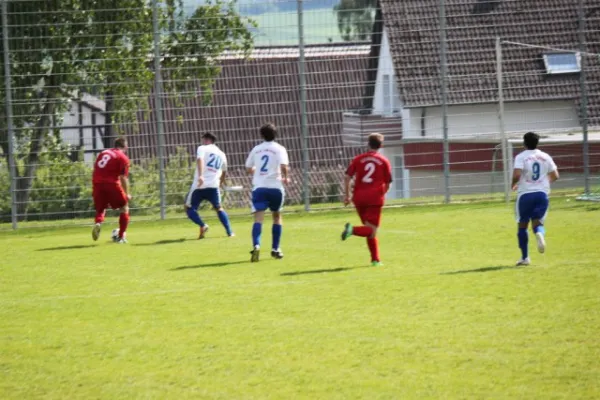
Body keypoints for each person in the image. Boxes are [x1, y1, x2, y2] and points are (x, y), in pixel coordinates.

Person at [341, 133, 392, 266]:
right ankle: (352, 230)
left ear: (368, 144)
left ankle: (375, 260)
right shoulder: (384, 161)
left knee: (369, 230)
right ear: (381, 146)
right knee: (371, 230)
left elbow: (347, 177)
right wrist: (382, 193)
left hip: (359, 198)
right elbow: (388, 183)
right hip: (375, 198)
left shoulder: (358, 159)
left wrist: (347, 196)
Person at [512, 131, 559, 266]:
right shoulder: (545, 156)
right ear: (537, 142)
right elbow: (555, 175)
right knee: (537, 223)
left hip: (525, 194)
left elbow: (516, 175)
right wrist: (544, 184)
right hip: (542, 195)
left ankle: (525, 257)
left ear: (524, 143)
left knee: (522, 225)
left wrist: (513, 184)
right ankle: (539, 234)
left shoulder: (521, 157)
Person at [245, 123, 290, 262]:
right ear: (275, 134)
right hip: (275, 187)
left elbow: (248, 167)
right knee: (276, 217)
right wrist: (286, 177)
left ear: (261, 135)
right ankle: (275, 248)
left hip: (260, 187)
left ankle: (256, 245)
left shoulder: (256, 149)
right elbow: (283, 165)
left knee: (258, 218)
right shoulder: (279, 149)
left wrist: (256, 171)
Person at [185, 132, 233, 239]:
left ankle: (203, 225)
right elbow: (224, 171)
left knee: (188, 208)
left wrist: (201, 176)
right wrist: (220, 183)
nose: (202, 141)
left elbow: (199, 159)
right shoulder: (222, 154)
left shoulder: (202, 148)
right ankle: (230, 233)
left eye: (204, 139)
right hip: (213, 186)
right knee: (219, 208)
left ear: (208, 140)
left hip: (199, 185)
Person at [91, 137, 132, 243]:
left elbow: (95, 168)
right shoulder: (123, 157)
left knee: (101, 208)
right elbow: (123, 178)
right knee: (124, 207)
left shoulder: (103, 153)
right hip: (112, 184)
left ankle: (98, 223)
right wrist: (127, 194)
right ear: (125, 146)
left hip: (97, 183)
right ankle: (121, 236)